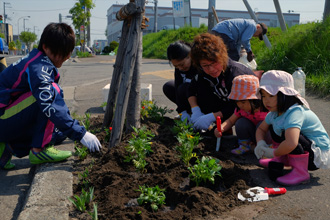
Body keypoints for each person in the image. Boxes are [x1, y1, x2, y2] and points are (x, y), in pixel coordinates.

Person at [0, 23, 101, 170]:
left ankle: (7, 147)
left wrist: (73, 128)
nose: (64, 57)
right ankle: (38, 151)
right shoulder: (38, 67)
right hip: (3, 118)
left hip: (8, 116)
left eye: (66, 52)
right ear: (46, 47)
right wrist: (81, 134)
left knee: (58, 133)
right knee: (50, 93)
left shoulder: (38, 59)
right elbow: (48, 101)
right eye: (60, 53)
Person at [254, 70, 330, 186]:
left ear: (285, 95)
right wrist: (260, 143)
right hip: (303, 146)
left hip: (315, 155)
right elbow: (261, 129)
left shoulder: (295, 112)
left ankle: (301, 172)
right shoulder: (274, 113)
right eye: (263, 96)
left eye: (271, 96)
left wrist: (274, 152)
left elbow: (291, 143)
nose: (266, 100)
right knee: (275, 128)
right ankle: (282, 160)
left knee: (290, 135)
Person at [188, 33, 256, 132]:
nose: (211, 69)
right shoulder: (203, 71)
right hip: (224, 103)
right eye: (205, 65)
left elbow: (238, 106)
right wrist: (195, 110)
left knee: (242, 123)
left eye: (214, 63)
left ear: (222, 57)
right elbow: (191, 89)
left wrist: (213, 116)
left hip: (245, 110)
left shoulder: (236, 75)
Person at [214, 75, 268, 155]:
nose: (240, 105)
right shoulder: (241, 110)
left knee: (263, 124)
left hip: (265, 138)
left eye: (243, 102)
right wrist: (221, 128)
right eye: (237, 102)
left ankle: (265, 148)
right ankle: (245, 146)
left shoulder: (266, 110)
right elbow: (230, 121)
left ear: (254, 100)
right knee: (241, 122)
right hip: (252, 135)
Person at [162, 40, 198, 122]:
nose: (180, 68)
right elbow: (177, 85)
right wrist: (182, 111)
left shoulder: (199, 65)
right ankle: (188, 112)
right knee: (169, 87)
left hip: (202, 97)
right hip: (188, 94)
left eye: (182, 64)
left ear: (190, 56)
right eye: (176, 66)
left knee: (184, 87)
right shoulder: (179, 68)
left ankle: (199, 113)